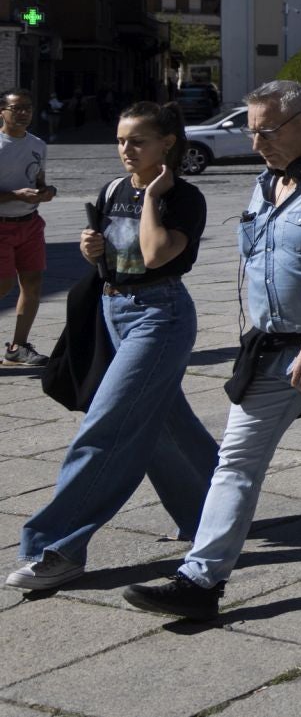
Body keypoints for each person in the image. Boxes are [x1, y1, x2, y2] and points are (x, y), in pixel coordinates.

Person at [121, 80, 301, 621]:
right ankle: (200, 579)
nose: (256, 141)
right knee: (235, 462)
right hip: (269, 351)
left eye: (267, 130)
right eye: (251, 130)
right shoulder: (264, 184)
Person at [8, 103, 219, 592]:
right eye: (122, 140)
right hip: (114, 309)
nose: (126, 150)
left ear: (166, 144)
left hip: (160, 317)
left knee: (108, 427)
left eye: (138, 141)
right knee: (164, 424)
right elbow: (113, 252)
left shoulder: (183, 198)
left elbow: (153, 254)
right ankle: (216, 512)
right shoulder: (111, 189)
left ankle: (55, 546)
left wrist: (151, 197)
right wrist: (92, 247)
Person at [1, 89, 56, 365]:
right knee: (3, 283)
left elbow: (40, 180)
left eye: (28, 108)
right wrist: (14, 196)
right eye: (16, 108)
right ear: (2, 111)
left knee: (32, 283)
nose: (23, 113)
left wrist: (46, 192)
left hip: (30, 223)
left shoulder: (38, 144)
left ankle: (18, 347)